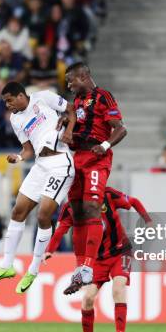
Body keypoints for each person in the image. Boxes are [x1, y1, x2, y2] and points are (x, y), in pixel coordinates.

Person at [0, 82, 76, 294]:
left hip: (60, 163)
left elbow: (70, 109)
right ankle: (6, 266)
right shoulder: (16, 119)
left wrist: (69, 131)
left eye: (9, 100)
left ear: (20, 96)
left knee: (44, 215)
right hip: (40, 165)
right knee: (18, 211)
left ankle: (33, 270)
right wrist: (18, 157)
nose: (7, 105)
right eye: (5, 102)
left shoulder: (43, 97)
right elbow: (27, 149)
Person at [45, 187, 152, 332]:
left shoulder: (107, 194)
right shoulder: (70, 208)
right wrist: (49, 249)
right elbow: (60, 230)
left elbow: (133, 201)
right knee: (87, 298)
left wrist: (148, 221)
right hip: (96, 259)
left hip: (119, 251)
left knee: (118, 289)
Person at [63, 62, 127, 294]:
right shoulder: (77, 103)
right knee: (77, 213)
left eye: (71, 81)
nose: (69, 86)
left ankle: (89, 267)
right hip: (77, 158)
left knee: (91, 207)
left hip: (97, 159)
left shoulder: (103, 97)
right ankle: (80, 270)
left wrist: (105, 144)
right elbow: (75, 130)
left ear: (83, 76)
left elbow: (120, 128)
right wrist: (66, 127)